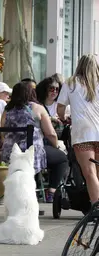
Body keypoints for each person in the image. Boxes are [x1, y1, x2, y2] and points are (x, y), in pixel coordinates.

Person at [1, 82, 68, 202]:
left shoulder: (7, 109)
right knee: (62, 159)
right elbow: (50, 134)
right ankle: (51, 191)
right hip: (32, 153)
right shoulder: (37, 108)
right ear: (31, 93)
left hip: (10, 154)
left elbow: (3, 132)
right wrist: (56, 145)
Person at [57, 54, 99, 203]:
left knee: (89, 173)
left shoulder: (70, 83)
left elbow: (60, 107)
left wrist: (64, 118)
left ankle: (96, 208)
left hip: (82, 133)